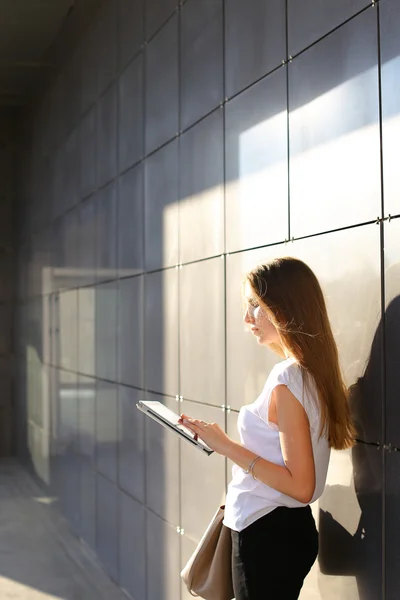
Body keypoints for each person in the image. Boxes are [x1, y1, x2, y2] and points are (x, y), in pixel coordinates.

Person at [179, 257, 356, 600]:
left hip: (266, 533)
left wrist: (225, 445)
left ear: (284, 308)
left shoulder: (288, 378)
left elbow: (301, 486)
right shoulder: (309, 375)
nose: (248, 320)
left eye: (255, 306)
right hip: (279, 530)